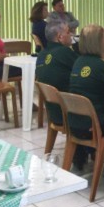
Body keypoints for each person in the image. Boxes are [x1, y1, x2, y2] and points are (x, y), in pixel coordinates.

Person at [69, 24, 104, 169]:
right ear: (97, 42)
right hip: (95, 126)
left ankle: (83, 157)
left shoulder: (77, 63)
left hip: (74, 123)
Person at [36, 18, 79, 163]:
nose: (71, 34)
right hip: (70, 114)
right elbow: (81, 67)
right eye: (68, 32)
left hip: (54, 112)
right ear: (60, 37)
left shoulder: (41, 55)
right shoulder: (64, 52)